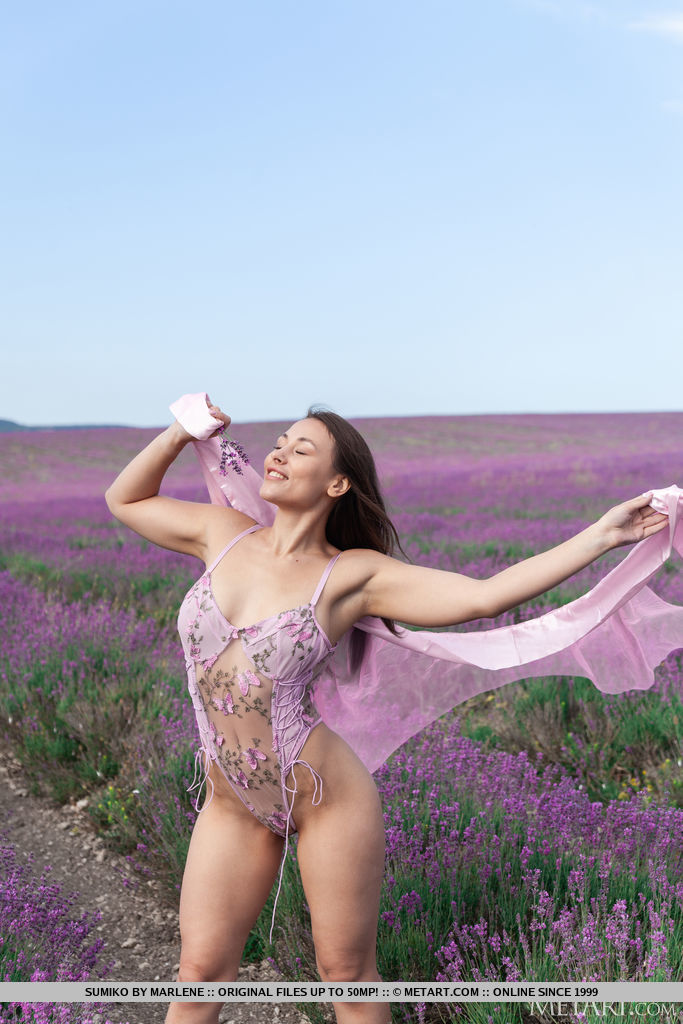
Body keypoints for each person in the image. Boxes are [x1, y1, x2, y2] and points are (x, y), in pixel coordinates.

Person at [105, 394, 675, 1024]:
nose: (278, 453)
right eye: (279, 442)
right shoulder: (221, 533)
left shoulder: (353, 574)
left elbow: (484, 597)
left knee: (345, 975)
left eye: (301, 448)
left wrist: (605, 534)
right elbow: (125, 500)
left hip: (326, 800)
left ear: (337, 483)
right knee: (199, 972)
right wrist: (179, 433)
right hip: (231, 801)